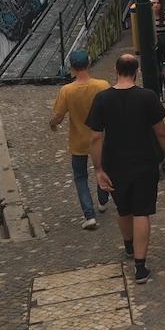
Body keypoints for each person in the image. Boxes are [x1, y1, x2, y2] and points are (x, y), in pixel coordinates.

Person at [86, 54, 165, 284]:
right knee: (142, 212)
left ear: (116, 70)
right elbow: (161, 132)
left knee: (123, 209)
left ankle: (128, 245)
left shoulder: (102, 99)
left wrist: (98, 169)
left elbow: (95, 137)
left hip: (114, 163)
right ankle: (141, 267)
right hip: (144, 162)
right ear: (137, 72)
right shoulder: (147, 97)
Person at [50, 49, 110, 230]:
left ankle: (89, 215)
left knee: (80, 177)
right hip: (100, 139)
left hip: (78, 141)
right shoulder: (102, 85)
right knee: (103, 168)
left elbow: (58, 116)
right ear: (89, 64)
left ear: (72, 68)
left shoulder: (67, 90)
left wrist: (52, 124)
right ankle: (102, 200)